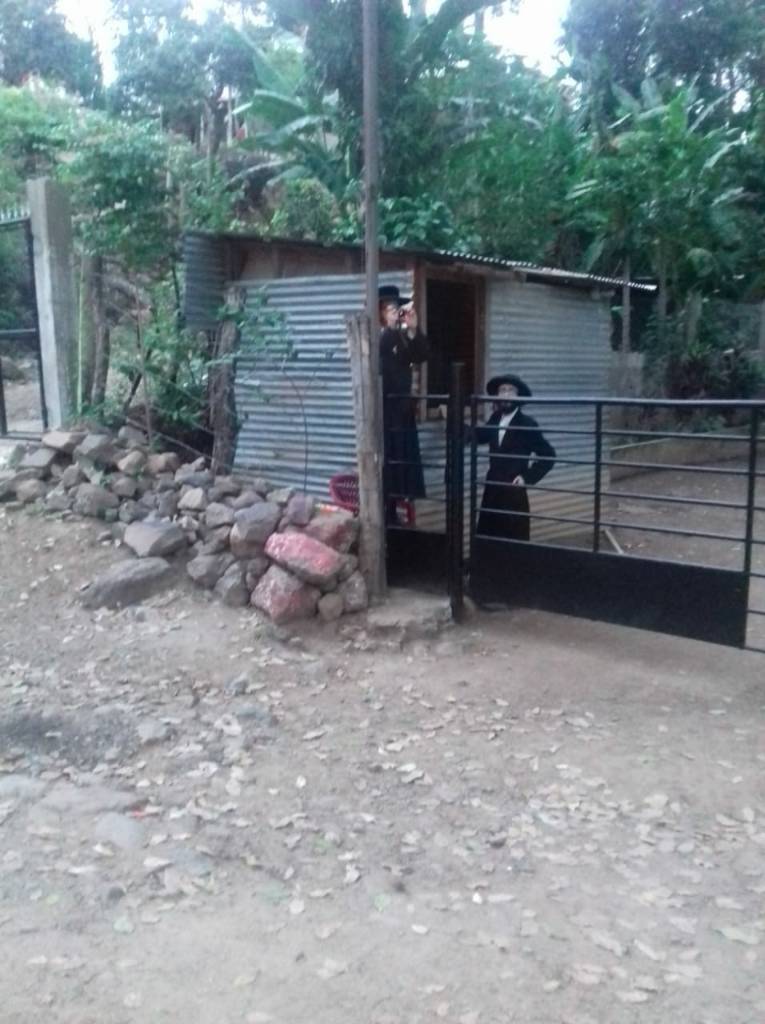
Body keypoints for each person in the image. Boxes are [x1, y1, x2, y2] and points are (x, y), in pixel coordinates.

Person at [476, 374, 556, 541]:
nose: (506, 394)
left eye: (510, 391)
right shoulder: (495, 418)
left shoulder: (527, 424)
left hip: (513, 492)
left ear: (518, 396)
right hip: (492, 490)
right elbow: (480, 436)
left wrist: (526, 478)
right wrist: (454, 420)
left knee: (512, 540)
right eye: (502, 390)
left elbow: (548, 455)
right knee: (488, 540)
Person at [378, 285, 429, 525]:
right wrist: (393, 329)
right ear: (379, 312)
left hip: (401, 409)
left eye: (397, 309)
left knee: (401, 464)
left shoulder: (400, 336)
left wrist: (413, 328)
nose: (395, 313)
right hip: (382, 409)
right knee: (386, 461)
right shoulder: (378, 336)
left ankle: (396, 511)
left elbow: (421, 355)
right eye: (390, 309)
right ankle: (385, 513)